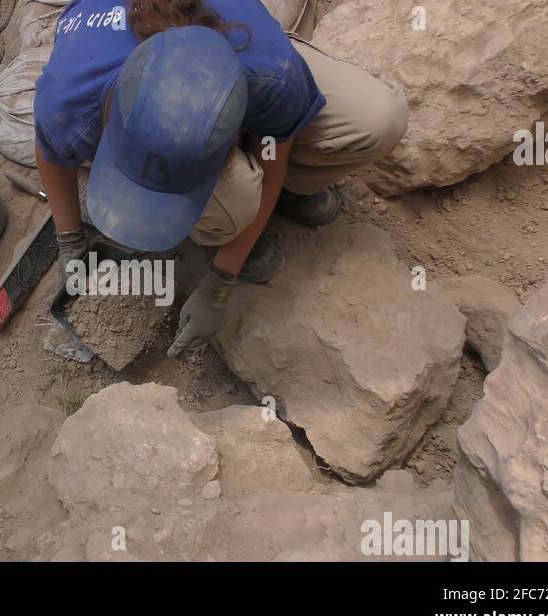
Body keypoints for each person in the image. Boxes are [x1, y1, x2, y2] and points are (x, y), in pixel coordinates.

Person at [34, 0, 407, 358]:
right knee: (235, 201)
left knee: (378, 119)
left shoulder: (268, 69)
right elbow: (49, 150)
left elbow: (275, 151)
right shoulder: (71, 100)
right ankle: (240, 208)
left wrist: (219, 282)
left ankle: (265, 201)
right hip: (135, 77)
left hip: (251, 70)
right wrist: (69, 242)